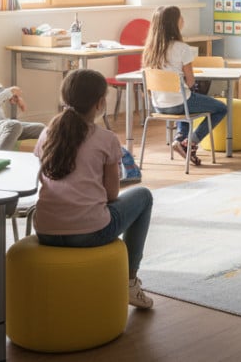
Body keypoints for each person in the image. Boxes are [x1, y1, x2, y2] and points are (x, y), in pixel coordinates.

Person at [32, 68, 154, 309]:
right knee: (144, 196)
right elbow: (111, 194)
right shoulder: (106, 139)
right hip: (88, 233)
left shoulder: (47, 134)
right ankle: (130, 281)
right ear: (100, 103)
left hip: (45, 230)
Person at [141, 5, 227, 166]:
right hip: (179, 103)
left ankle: (180, 140)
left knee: (187, 102)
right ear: (174, 23)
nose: (183, 20)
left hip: (158, 105)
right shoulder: (182, 48)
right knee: (221, 108)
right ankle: (191, 142)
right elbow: (190, 81)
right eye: (180, 17)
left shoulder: (150, 49)